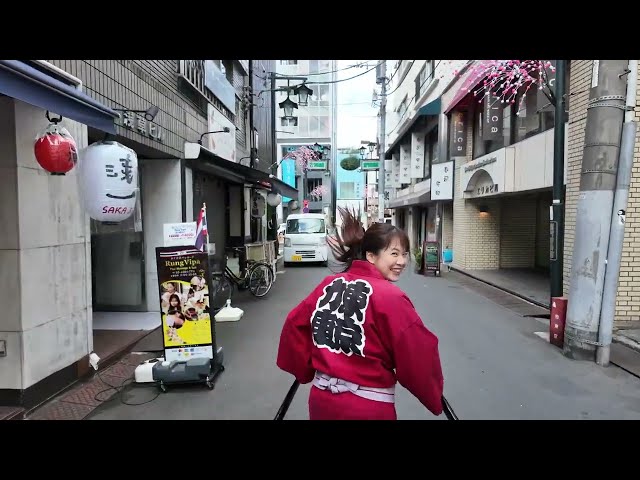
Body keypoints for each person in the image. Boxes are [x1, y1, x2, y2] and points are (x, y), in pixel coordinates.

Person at [276, 207, 444, 420]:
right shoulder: (390, 296)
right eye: (394, 253)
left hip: (321, 401)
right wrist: (432, 394)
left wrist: (305, 370)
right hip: (367, 406)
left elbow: (295, 323)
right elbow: (417, 351)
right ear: (371, 256)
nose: (401, 261)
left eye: (404, 254)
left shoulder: (329, 284)